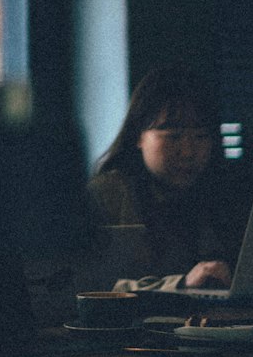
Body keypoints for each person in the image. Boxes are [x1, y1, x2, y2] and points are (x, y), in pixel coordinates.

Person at [86, 65, 240, 291]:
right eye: (173, 136)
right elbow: (89, 287)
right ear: (138, 136)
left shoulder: (222, 196)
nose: (188, 152)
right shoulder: (108, 195)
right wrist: (180, 285)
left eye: (200, 136)